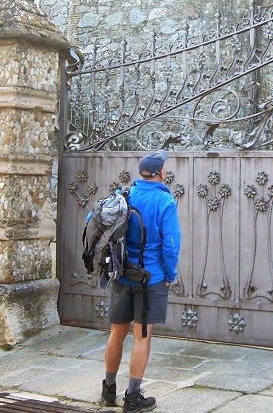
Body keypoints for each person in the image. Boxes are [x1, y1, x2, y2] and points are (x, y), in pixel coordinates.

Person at [101, 149, 181, 412]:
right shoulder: (164, 202)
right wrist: (169, 275)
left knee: (116, 332)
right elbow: (170, 245)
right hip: (151, 278)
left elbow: (95, 220)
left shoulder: (124, 195)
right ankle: (133, 397)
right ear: (161, 173)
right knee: (142, 338)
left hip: (121, 275)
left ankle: (108, 390)